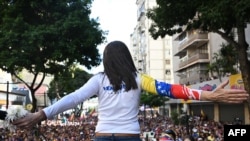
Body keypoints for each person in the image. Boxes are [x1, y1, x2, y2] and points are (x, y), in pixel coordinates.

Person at [12, 40, 249, 141]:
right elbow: (170, 89)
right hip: (130, 137)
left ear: (106, 60)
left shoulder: (98, 79)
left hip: (102, 136)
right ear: (127, 58)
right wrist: (208, 95)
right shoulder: (139, 79)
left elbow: (73, 98)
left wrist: (41, 115)